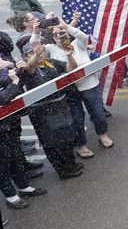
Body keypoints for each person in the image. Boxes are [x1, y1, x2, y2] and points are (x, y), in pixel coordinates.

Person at [0, 55, 47, 209]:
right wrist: (15, 82)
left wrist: (17, 72)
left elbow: (1, 83)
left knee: (16, 157)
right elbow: (1, 99)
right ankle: (11, 197)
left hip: (6, 127)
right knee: (2, 164)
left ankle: (23, 187)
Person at [42, 14, 114, 157]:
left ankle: (103, 135)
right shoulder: (50, 48)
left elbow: (82, 36)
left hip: (89, 85)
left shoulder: (78, 44)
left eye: (61, 32)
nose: (59, 36)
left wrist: (65, 25)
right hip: (69, 90)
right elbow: (35, 46)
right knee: (76, 118)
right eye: (55, 35)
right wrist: (37, 32)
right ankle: (81, 145)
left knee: (98, 112)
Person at [15, 37, 83, 179]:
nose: (40, 55)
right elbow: (30, 66)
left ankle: (70, 164)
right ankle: (63, 170)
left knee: (66, 138)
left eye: (42, 52)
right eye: (33, 53)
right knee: (52, 143)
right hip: (42, 113)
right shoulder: (26, 70)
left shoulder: (50, 63)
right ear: (26, 56)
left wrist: (70, 56)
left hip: (60, 107)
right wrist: (35, 53)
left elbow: (71, 67)